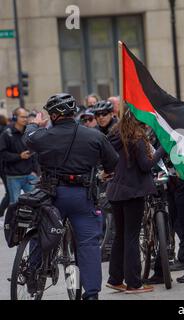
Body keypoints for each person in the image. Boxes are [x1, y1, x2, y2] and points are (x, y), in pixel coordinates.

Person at [24, 93, 119, 300]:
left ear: (55, 115)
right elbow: (113, 163)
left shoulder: (44, 135)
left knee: (41, 233)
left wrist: (35, 125)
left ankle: (33, 272)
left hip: (52, 196)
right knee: (88, 245)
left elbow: (28, 139)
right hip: (82, 197)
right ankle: (91, 293)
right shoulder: (95, 136)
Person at [106, 106, 165, 294]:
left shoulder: (115, 136)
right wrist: (163, 148)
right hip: (133, 192)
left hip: (115, 191)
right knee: (131, 236)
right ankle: (134, 282)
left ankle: (115, 278)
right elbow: (146, 165)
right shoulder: (137, 138)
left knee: (120, 235)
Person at [0, 108, 39, 206]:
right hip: (14, 177)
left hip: (30, 175)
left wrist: (36, 171)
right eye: (22, 117)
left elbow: (35, 152)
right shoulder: (7, 133)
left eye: (26, 116)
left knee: (34, 204)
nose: (25, 119)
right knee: (15, 206)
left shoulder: (29, 131)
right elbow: (3, 155)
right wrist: (19, 156)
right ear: (14, 117)